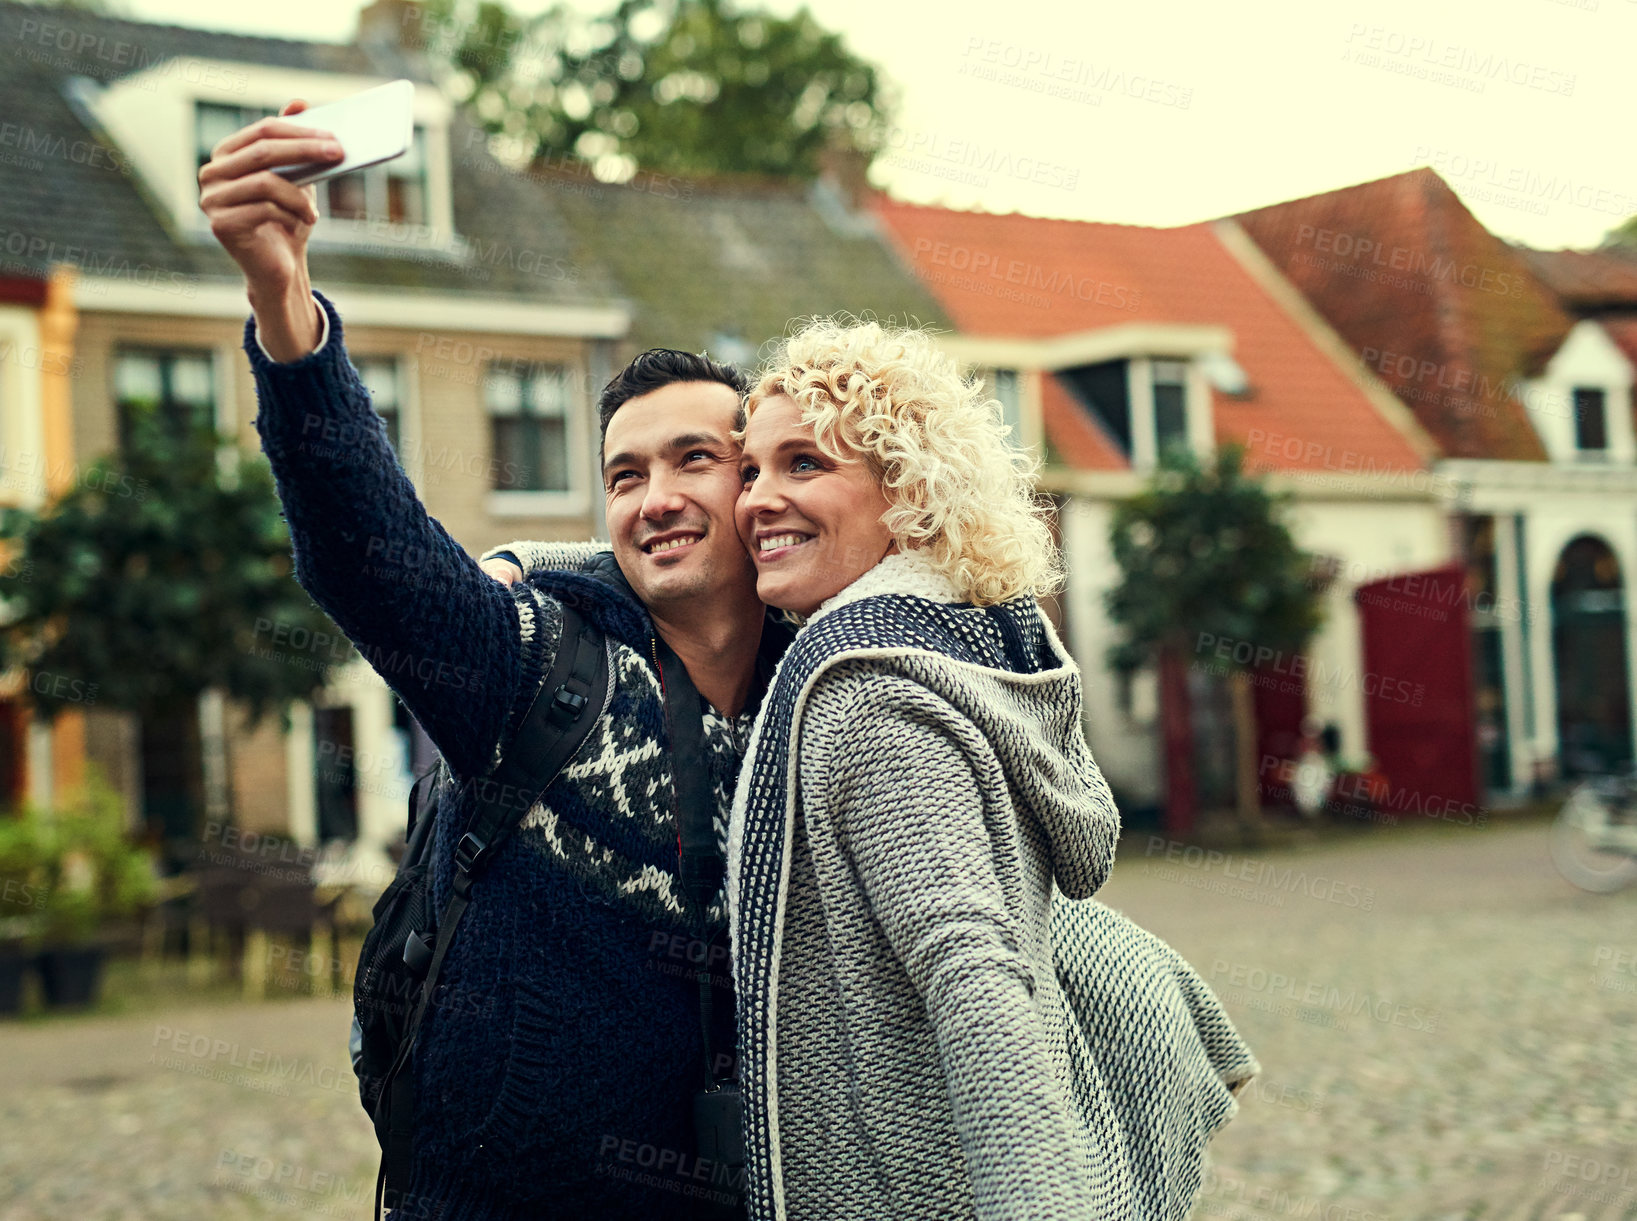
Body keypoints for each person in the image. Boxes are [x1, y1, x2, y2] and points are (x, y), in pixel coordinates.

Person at [200, 100, 785, 1218]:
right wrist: (284, 310)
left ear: (754, 487)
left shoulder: (825, 706)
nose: (654, 499)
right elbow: (372, 558)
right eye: (622, 477)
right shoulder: (534, 667)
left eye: (692, 461)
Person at [722, 318, 1254, 1218]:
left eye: (803, 464)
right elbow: (1024, 908)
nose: (754, 500)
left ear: (907, 493)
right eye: (750, 470)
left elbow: (971, 970)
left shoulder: (868, 701)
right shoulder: (972, 652)